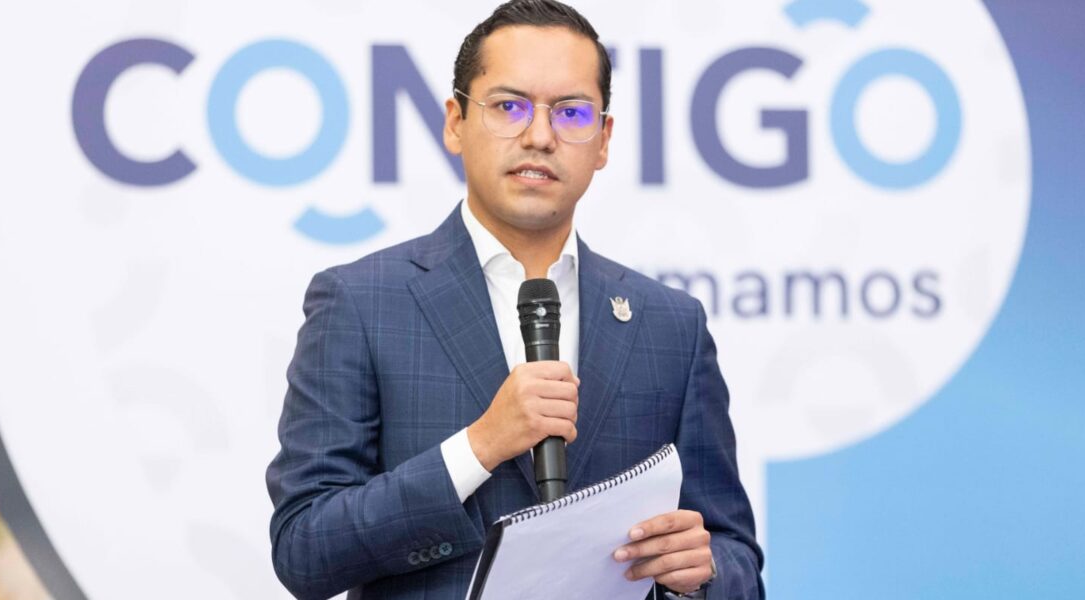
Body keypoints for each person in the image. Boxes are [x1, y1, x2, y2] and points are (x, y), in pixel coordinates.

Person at [265, 1, 764, 598]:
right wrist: (480, 446)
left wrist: (700, 576)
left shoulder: (669, 325)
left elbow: (734, 553)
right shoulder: (361, 302)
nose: (540, 136)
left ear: (603, 140)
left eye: (571, 112)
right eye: (509, 106)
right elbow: (305, 550)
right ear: (455, 122)